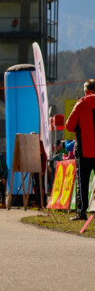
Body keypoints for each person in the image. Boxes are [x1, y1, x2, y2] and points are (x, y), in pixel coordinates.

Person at [64, 78, 95, 221]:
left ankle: (82, 212)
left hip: (84, 150)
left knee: (82, 181)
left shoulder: (81, 104)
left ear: (85, 90)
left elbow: (69, 125)